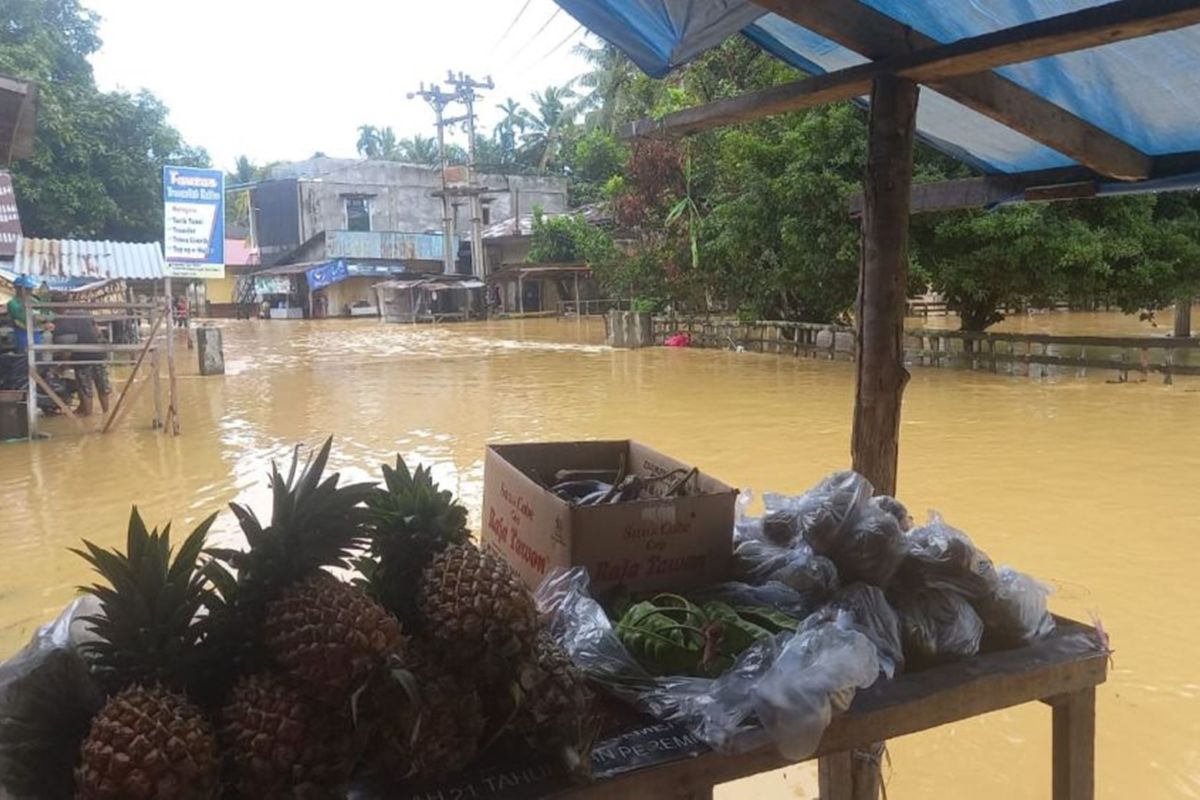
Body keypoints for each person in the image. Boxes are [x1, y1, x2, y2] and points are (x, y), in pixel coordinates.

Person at [53, 307, 110, 416]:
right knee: (103, 386)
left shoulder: (61, 321)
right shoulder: (84, 313)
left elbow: (66, 348)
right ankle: (106, 414)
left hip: (82, 357)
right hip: (98, 354)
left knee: (85, 389)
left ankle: (87, 415)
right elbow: (98, 331)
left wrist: (64, 364)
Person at [6, 275, 54, 352]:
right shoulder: (13, 303)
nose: (30, 291)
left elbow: (48, 313)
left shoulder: (34, 300)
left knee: (38, 357)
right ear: (18, 289)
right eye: (27, 289)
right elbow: (23, 318)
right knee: (25, 358)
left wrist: (47, 321)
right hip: (23, 335)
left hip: (37, 334)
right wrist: (40, 319)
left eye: (30, 289)